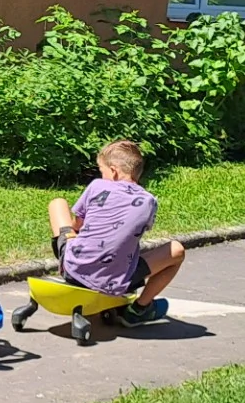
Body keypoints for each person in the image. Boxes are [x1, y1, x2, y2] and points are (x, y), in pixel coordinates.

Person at [48, 138, 185, 325]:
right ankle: (139, 309)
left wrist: (73, 234)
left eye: (101, 170)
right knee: (177, 250)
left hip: (73, 269)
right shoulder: (149, 201)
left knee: (57, 203)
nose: (101, 175)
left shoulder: (97, 186)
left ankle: (69, 259)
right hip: (118, 280)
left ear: (113, 171)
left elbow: (77, 224)